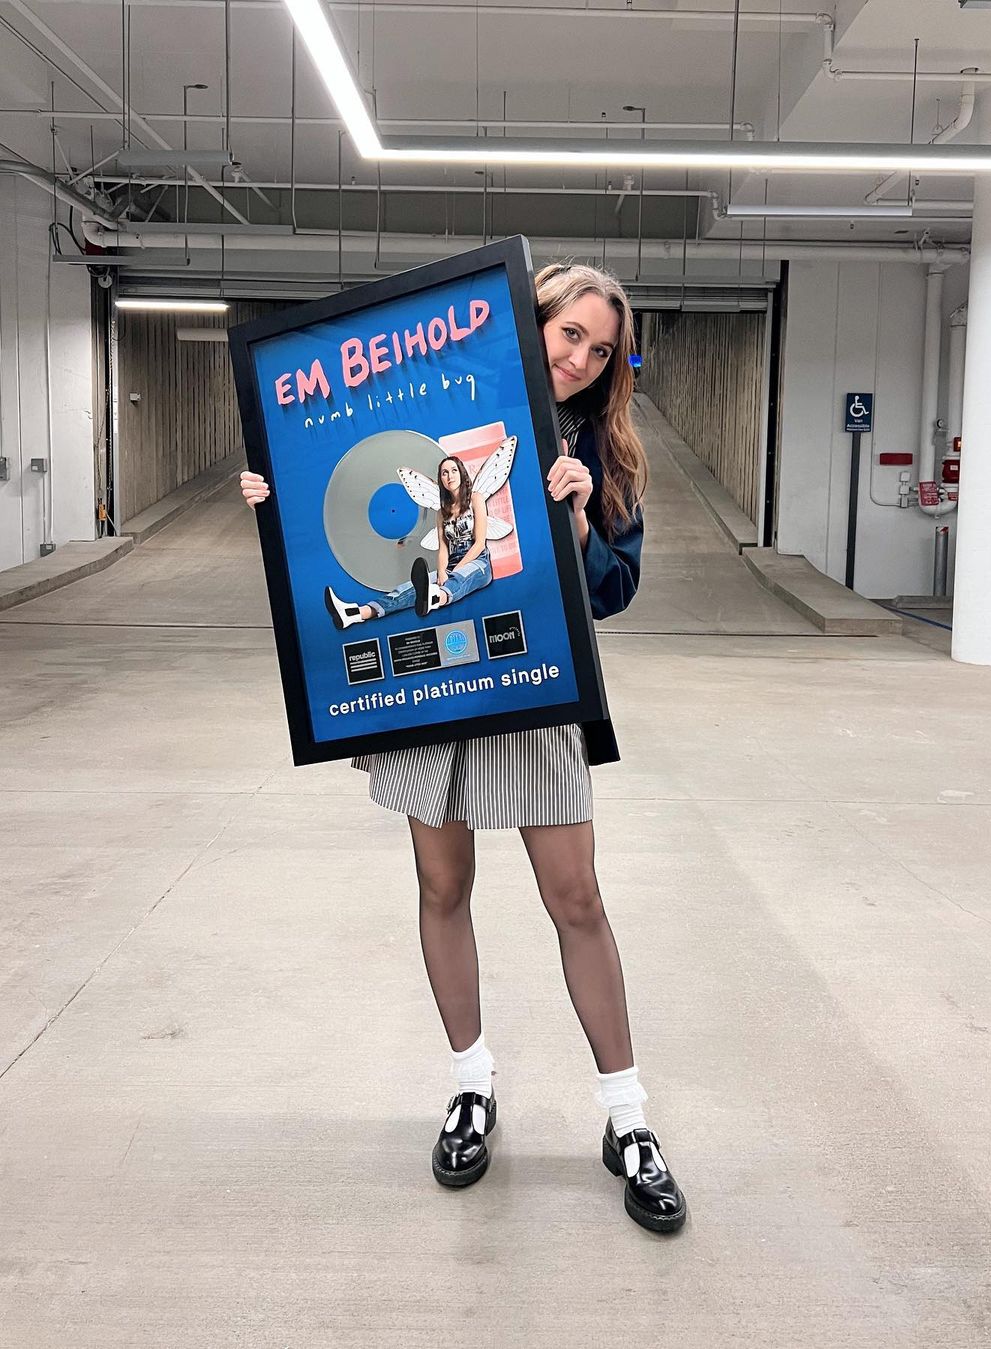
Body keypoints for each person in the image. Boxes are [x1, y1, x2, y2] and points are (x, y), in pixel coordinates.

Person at [240, 262, 687, 1234]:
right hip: (430, 685)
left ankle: (628, 1119)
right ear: (530, 320)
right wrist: (279, 484)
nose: (581, 358)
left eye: (601, 349)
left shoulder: (600, 453)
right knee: (442, 887)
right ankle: (471, 1086)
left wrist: (579, 518)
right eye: (569, 333)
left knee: (577, 899)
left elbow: (613, 591)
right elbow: (356, 490)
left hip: (532, 687)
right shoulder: (438, 407)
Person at [324, 454, 492, 628]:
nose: (450, 476)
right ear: (441, 479)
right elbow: (443, 548)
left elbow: (479, 543)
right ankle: (354, 613)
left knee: (458, 579)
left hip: (477, 562)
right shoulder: (441, 512)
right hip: (451, 563)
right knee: (407, 589)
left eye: (454, 470)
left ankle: (434, 598)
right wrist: (442, 572)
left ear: (462, 473)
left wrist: (454, 571)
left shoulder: (475, 498)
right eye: (444, 473)